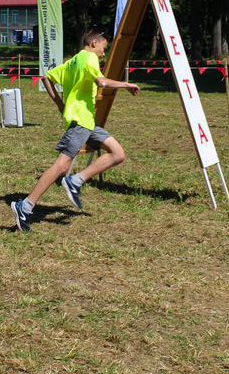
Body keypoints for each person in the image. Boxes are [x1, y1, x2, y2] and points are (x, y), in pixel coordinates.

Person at [10, 28, 140, 232]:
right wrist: (126, 84)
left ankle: (76, 180)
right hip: (80, 122)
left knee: (118, 154)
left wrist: (61, 105)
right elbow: (102, 82)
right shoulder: (88, 58)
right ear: (94, 43)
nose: (104, 53)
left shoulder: (73, 61)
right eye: (104, 48)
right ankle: (25, 205)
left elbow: (47, 78)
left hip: (88, 123)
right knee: (60, 167)